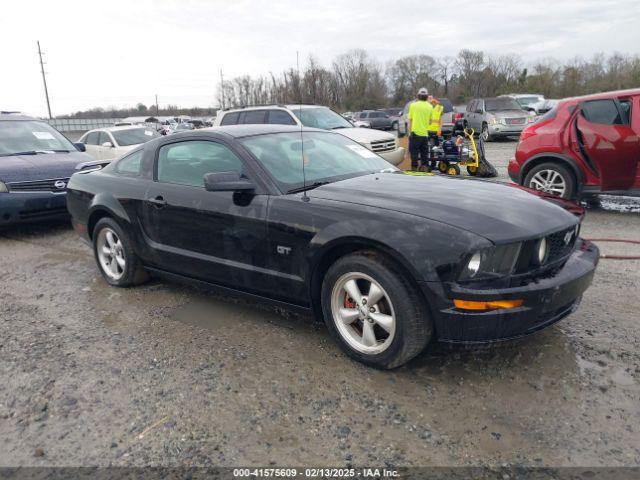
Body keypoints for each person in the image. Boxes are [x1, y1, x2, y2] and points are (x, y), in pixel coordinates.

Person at [405, 87, 433, 171]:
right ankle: (424, 169)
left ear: (418, 96)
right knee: (424, 155)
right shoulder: (430, 106)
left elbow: (410, 120)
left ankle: (414, 169)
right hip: (424, 135)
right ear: (426, 96)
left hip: (415, 134)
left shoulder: (413, 105)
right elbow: (430, 122)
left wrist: (409, 133)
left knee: (414, 154)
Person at [426, 97, 444, 170]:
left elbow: (440, 120)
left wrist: (439, 130)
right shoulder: (426, 107)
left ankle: (437, 163)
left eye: (431, 99)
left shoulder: (439, 108)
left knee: (435, 148)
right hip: (427, 131)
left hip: (435, 131)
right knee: (431, 148)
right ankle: (431, 164)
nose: (430, 101)